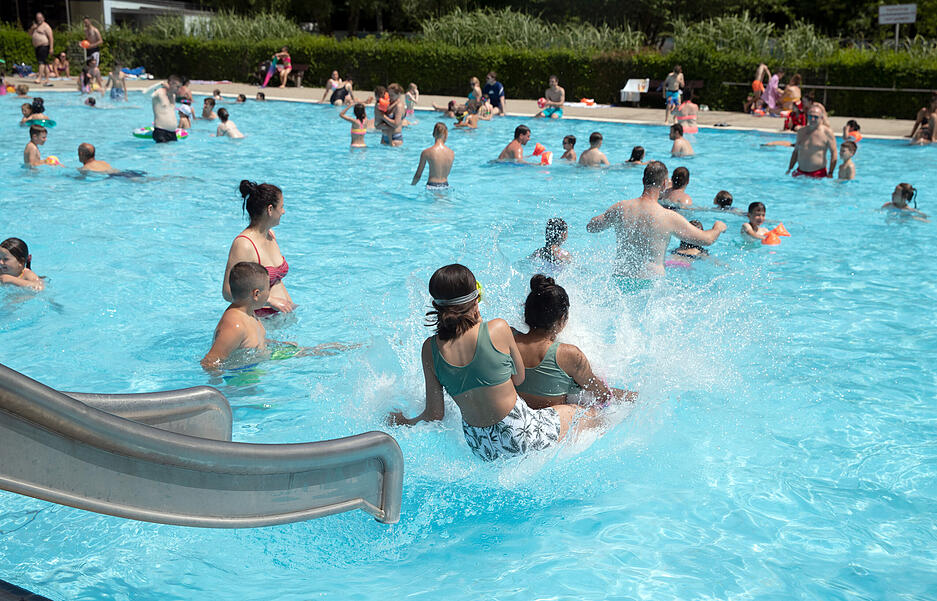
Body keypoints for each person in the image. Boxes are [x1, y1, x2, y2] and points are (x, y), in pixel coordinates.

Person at [387, 264, 604, 461]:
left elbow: (435, 415)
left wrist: (402, 421)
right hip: (521, 436)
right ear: (476, 297)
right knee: (585, 414)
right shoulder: (497, 329)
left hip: (480, 447)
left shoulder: (429, 349)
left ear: (436, 305)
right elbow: (519, 378)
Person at [513, 275, 635, 409]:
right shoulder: (569, 354)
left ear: (526, 312)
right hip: (552, 420)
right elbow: (602, 394)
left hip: (518, 414)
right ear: (562, 319)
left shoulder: (508, 339)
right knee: (625, 399)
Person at [587, 161, 727, 279]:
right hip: (650, 282)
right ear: (665, 184)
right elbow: (706, 240)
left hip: (620, 278)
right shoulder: (668, 217)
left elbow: (591, 227)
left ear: (643, 180)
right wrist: (718, 227)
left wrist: (610, 215)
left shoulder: (621, 207)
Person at [223, 180, 295, 316]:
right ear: (270, 210)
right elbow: (228, 292)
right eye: (281, 207)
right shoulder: (244, 244)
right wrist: (270, 300)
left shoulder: (270, 235)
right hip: (263, 320)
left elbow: (275, 280)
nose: (283, 212)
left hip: (281, 317)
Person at [201, 262, 270, 369]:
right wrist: (219, 383)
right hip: (237, 379)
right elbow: (209, 363)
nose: (270, 292)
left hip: (252, 371)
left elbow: (255, 343)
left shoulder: (250, 313)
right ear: (256, 294)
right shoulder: (235, 326)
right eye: (268, 288)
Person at [787, 105, 837, 177]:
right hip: (800, 172)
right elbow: (796, 152)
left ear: (821, 118)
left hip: (818, 174)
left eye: (816, 117)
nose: (812, 119)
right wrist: (790, 168)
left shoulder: (827, 133)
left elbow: (834, 153)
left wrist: (830, 172)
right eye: (810, 116)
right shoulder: (801, 132)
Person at [411, 123, 454, 189]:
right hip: (445, 186)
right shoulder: (451, 153)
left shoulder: (426, 152)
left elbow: (418, 175)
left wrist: (412, 186)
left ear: (433, 134)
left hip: (431, 186)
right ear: (446, 135)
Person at [151, 75, 182, 143]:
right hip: (161, 131)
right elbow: (145, 93)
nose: (179, 89)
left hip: (172, 133)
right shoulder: (159, 92)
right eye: (177, 86)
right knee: (163, 153)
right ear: (170, 83)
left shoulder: (173, 96)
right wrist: (160, 84)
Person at [28, 12, 54, 87]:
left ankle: (39, 78)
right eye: (37, 18)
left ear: (43, 18)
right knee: (44, 64)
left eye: (40, 17)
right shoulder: (35, 26)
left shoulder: (46, 26)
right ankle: (47, 79)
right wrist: (32, 28)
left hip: (44, 46)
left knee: (41, 62)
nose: (38, 19)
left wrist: (51, 48)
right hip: (37, 47)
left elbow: (51, 38)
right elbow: (29, 34)